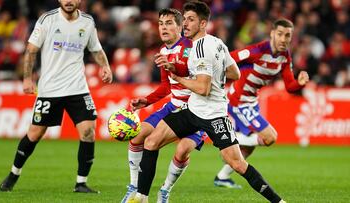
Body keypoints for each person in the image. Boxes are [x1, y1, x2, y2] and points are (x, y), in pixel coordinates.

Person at [128, 1, 285, 203]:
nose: (185, 24)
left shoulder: (200, 49)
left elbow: (203, 88)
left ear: (203, 24)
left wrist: (179, 78)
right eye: (184, 19)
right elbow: (234, 73)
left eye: (190, 20)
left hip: (214, 116)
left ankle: (278, 201)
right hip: (193, 111)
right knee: (151, 141)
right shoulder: (217, 42)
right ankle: (141, 197)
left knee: (237, 164)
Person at [0, 0, 112, 193]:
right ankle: (14, 173)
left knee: (88, 132)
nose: (68, 1)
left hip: (78, 88)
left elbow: (96, 48)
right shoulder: (47, 20)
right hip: (50, 89)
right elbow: (31, 51)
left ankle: (81, 183)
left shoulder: (87, 21)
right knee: (35, 134)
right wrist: (27, 79)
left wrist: (106, 66)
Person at [122, 8, 206, 203]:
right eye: (161, 23)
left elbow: (192, 73)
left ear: (180, 27)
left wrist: (173, 66)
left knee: (182, 150)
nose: (164, 28)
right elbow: (166, 86)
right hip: (173, 105)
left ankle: (165, 189)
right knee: (137, 135)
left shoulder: (191, 47)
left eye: (169, 23)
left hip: (196, 110)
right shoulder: (163, 50)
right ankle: (134, 187)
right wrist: (146, 101)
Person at [214, 18, 310, 189]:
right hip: (238, 100)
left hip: (251, 101)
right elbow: (229, 59)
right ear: (272, 33)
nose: (283, 39)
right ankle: (227, 141)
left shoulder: (285, 57)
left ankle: (222, 177)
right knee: (269, 137)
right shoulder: (257, 50)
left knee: (250, 147)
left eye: (287, 35)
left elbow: (289, 86)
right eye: (280, 34)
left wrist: (300, 83)